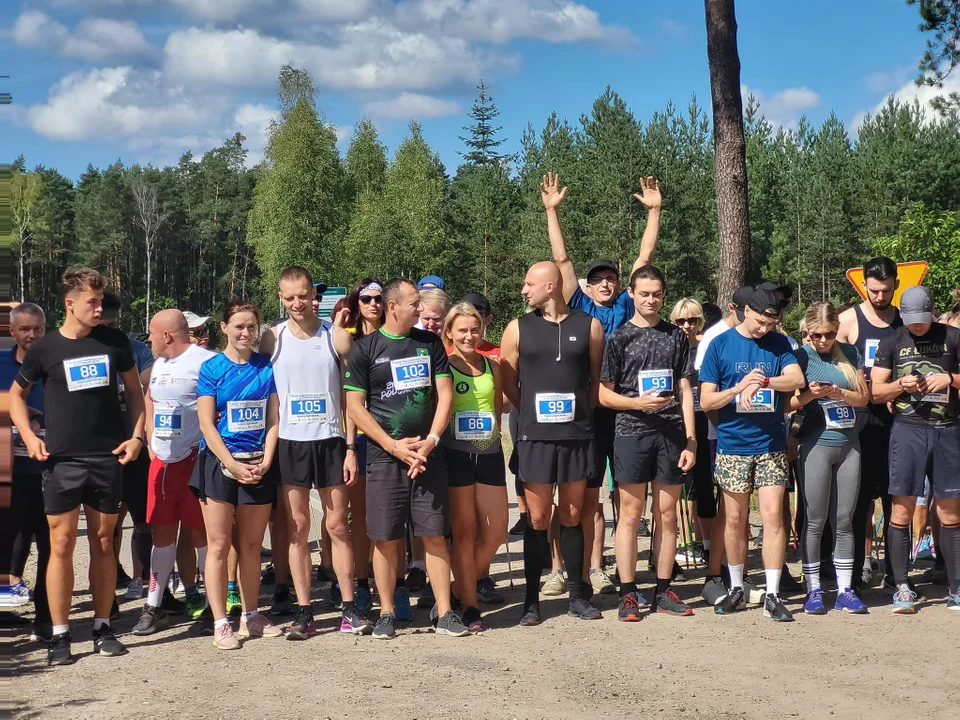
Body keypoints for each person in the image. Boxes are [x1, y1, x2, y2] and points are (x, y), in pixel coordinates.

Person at [10, 268, 146, 665]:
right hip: (62, 461)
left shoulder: (114, 341)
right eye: (93, 302)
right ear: (70, 304)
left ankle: (103, 627)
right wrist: (30, 437)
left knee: (105, 543)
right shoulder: (45, 349)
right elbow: (16, 397)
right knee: (62, 545)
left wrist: (137, 437)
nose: (100, 308)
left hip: (107, 458)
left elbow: (137, 394)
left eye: (101, 301)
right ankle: (59, 634)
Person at [541, 171, 663, 598]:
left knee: (623, 496)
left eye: (611, 278)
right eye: (599, 280)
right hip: (589, 409)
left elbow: (645, 259)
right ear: (587, 288)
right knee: (582, 495)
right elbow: (562, 263)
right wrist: (552, 211)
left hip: (626, 410)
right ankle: (565, 569)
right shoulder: (579, 306)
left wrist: (655, 212)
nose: (606, 283)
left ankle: (598, 567)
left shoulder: (630, 303)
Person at [344, 277, 469, 639]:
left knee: (433, 534)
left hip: (429, 454)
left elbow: (445, 396)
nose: (422, 308)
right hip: (386, 457)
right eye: (415, 302)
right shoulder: (365, 348)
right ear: (393, 306)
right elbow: (355, 406)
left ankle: (444, 613)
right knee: (386, 538)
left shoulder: (430, 343)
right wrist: (393, 446)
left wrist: (430, 441)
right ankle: (385, 613)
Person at [258, 267, 370, 639]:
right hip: (290, 442)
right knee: (297, 527)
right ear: (281, 297)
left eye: (302, 295)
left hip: (330, 441)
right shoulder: (271, 339)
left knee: (338, 525)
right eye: (289, 297)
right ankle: (304, 612)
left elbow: (351, 398)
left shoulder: (336, 337)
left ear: (313, 295)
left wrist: (351, 447)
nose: (296, 303)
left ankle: (350, 608)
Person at [500, 261, 606, 625]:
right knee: (538, 517)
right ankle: (531, 601)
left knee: (574, 514)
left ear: (550, 285)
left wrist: (579, 417)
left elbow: (595, 382)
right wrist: (530, 411)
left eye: (529, 283)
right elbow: (508, 382)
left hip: (576, 436)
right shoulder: (517, 328)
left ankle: (578, 594)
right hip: (536, 437)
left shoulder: (589, 326)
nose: (523, 290)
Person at [698, 288, 805, 621]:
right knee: (734, 520)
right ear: (745, 311)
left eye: (770, 323)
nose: (764, 328)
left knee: (774, 518)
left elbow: (797, 378)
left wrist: (765, 382)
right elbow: (706, 402)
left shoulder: (779, 343)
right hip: (732, 446)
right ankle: (737, 588)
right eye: (760, 321)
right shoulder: (720, 344)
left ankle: (772, 593)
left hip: (771, 445)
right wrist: (737, 388)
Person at [600, 266, 697, 619]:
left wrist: (691, 440)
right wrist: (637, 403)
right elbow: (603, 395)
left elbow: (686, 389)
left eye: (656, 294)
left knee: (667, 515)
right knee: (630, 515)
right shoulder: (619, 337)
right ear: (631, 293)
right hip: (631, 432)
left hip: (671, 434)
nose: (651, 300)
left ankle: (664, 588)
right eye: (644, 294)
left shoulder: (676, 337)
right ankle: (628, 592)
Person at [190, 300, 283, 649]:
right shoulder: (212, 368)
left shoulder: (265, 367)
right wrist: (230, 463)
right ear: (224, 327)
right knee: (219, 546)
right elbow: (205, 423)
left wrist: (267, 460)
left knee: (251, 546)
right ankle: (220, 622)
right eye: (239, 326)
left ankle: (250, 615)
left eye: (251, 327)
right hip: (219, 464)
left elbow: (273, 420)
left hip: (258, 463)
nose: (246, 333)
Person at [868, 286, 960, 613]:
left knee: (949, 512)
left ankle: (956, 588)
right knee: (902, 509)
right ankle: (903, 587)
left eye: (923, 320)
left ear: (933, 311)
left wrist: (949, 378)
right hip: (907, 432)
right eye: (912, 321)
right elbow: (875, 392)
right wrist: (900, 385)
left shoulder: (953, 336)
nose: (918, 326)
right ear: (902, 315)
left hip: (947, 431)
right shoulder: (893, 340)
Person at [131, 310, 214, 635]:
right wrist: (150, 435)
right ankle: (154, 606)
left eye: (151, 333)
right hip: (162, 464)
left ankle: (213, 605)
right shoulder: (161, 364)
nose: (148, 339)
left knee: (201, 537)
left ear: (166, 335)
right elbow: (149, 396)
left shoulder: (205, 361)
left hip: (194, 462)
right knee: (162, 536)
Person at [789, 302, 870, 615]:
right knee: (815, 520)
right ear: (807, 332)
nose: (824, 340)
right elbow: (788, 404)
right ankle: (813, 590)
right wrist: (811, 393)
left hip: (849, 444)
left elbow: (864, 396)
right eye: (817, 335)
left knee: (844, 520)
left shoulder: (849, 353)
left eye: (830, 334)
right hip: (816, 444)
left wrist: (839, 393)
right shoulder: (801, 356)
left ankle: (845, 589)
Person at [441, 303, 508, 631]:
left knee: (497, 530)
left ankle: (456, 587)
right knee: (464, 533)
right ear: (449, 332)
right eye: (462, 330)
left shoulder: (493, 367)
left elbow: (496, 415)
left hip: (490, 453)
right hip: (456, 456)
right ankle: (469, 604)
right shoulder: (443, 367)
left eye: (475, 329)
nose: (469, 335)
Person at [837, 257, 903, 592]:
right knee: (858, 499)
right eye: (874, 290)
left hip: (898, 419)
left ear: (895, 286)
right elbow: (827, 363)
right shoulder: (849, 320)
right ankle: (858, 567)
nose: (879, 296)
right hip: (860, 420)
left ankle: (896, 574)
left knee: (896, 499)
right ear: (864, 285)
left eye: (886, 290)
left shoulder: (904, 322)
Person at [99, 292, 157, 603]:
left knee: (143, 519)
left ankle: (140, 577)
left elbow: (147, 385)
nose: (109, 327)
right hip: (102, 449)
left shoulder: (134, 349)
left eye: (113, 322)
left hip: (136, 446)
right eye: (103, 322)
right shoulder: (86, 349)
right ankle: (112, 575)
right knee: (109, 522)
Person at [334, 277, 384, 620]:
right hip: (359, 437)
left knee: (391, 515)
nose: (374, 304)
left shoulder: (399, 338)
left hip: (393, 435)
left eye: (379, 299)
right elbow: (350, 401)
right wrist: (351, 446)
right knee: (359, 515)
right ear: (357, 302)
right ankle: (362, 584)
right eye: (366, 299)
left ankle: (391, 584)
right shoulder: (348, 342)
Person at [0, 303, 51, 638]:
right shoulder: (2, 364)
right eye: (24, 329)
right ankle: (4, 612)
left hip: (51, 470)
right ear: (12, 331)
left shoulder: (57, 363)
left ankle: (46, 618)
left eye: (37, 329)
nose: (31, 335)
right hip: (9, 471)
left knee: (51, 546)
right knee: (4, 543)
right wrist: (20, 411)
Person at [670, 297, 715, 566]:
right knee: (682, 483)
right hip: (677, 419)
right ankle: (686, 542)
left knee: (705, 484)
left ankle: (706, 542)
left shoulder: (706, 347)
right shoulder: (670, 346)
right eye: (681, 321)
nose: (687, 326)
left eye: (693, 320)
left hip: (705, 418)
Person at [461, 292, 502, 362]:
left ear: (488, 319)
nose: (470, 318)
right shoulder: (444, 353)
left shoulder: (499, 354)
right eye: (464, 313)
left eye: (476, 315)